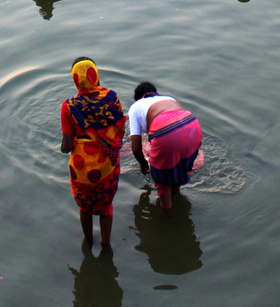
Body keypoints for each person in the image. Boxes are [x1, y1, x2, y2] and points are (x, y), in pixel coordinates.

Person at [60, 57, 126, 247]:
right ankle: (106, 246)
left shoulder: (68, 106)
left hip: (81, 167)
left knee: (84, 208)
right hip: (107, 165)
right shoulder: (111, 97)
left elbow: (67, 146)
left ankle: (88, 242)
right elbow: (120, 130)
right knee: (106, 207)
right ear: (95, 75)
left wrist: (69, 143)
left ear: (75, 79)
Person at [128, 81, 203, 211]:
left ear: (138, 98)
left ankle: (167, 214)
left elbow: (135, 147)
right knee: (179, 167)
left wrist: (144, 165)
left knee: (161, 178)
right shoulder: (169, 98)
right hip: (193, 126)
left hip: (165, 130)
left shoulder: (135, 107)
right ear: (155, 93)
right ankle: (175, 194)